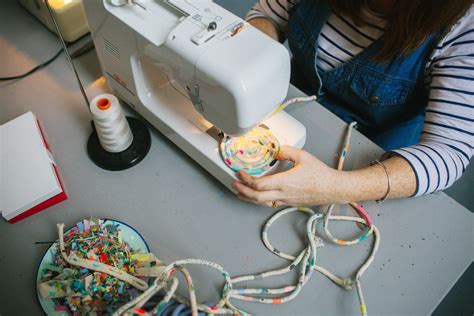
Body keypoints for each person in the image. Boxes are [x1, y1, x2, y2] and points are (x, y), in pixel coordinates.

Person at [232, 0, 473, 207]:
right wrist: (257, 67)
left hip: (373, 156)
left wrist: (333, 188)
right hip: (290, 103)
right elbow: (266, 17)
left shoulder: (463, 27)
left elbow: (449, 152)